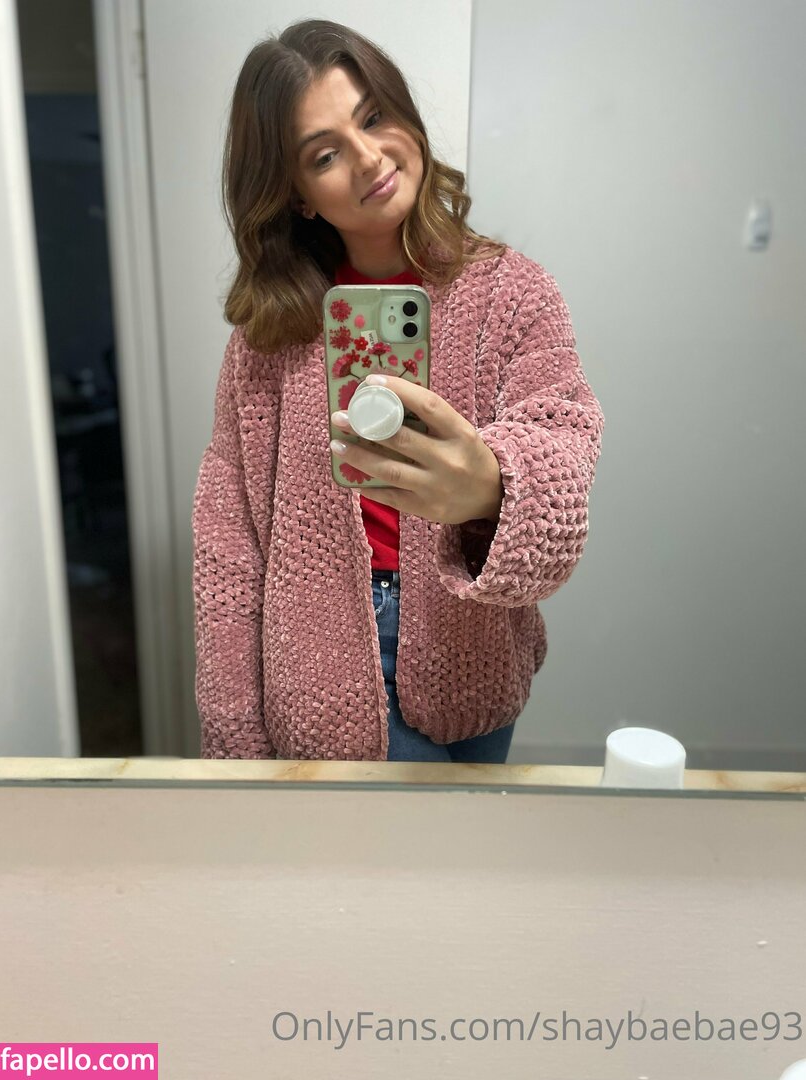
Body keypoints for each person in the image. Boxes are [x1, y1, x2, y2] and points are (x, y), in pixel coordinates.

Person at [192, 19, 604, 762]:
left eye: (374, 116)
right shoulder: (268, 340)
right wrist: (234, 742)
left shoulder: (513, 295)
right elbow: (228, 551)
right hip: (319, 666)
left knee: (467, 839)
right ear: (297, 195)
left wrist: (492, 487)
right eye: (324, 154)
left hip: (476, 651)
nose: (368, 157)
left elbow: (565, 449)